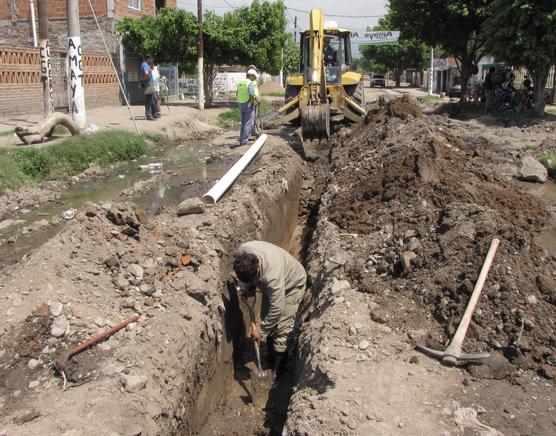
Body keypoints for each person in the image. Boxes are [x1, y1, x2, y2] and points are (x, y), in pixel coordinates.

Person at [233, 241, 306, 377]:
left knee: (282, 328)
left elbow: (277, 308)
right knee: (267, 318)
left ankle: (279, 369)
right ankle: (271, 355)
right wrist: (249, 286)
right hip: (271, 285)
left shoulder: (272, 277)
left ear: (258, 269)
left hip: (292, 285)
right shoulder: (243, 251)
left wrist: (261, 331)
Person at [236, 68, 259, 146]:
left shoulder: (240, 82)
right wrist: (254, 102)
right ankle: (244, 141)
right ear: (251, 75)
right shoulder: (250, 83)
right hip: (248, 104)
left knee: (243, 123)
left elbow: (237, 93)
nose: (254, 78)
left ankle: (241, 140)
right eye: (254, 76)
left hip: (241, 104)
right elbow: (251, 94)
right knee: (247, 123)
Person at [140, 55, 156, 121]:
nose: (151, 60)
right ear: (148, 59)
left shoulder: (145, 65)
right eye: (150, 59)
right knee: (149, 101)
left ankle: (152, 114)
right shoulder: (145, 65)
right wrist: (144, 78)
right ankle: (149, 115)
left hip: (149, 84)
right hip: (149, 84)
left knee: (151, 100)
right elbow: (146, 73)